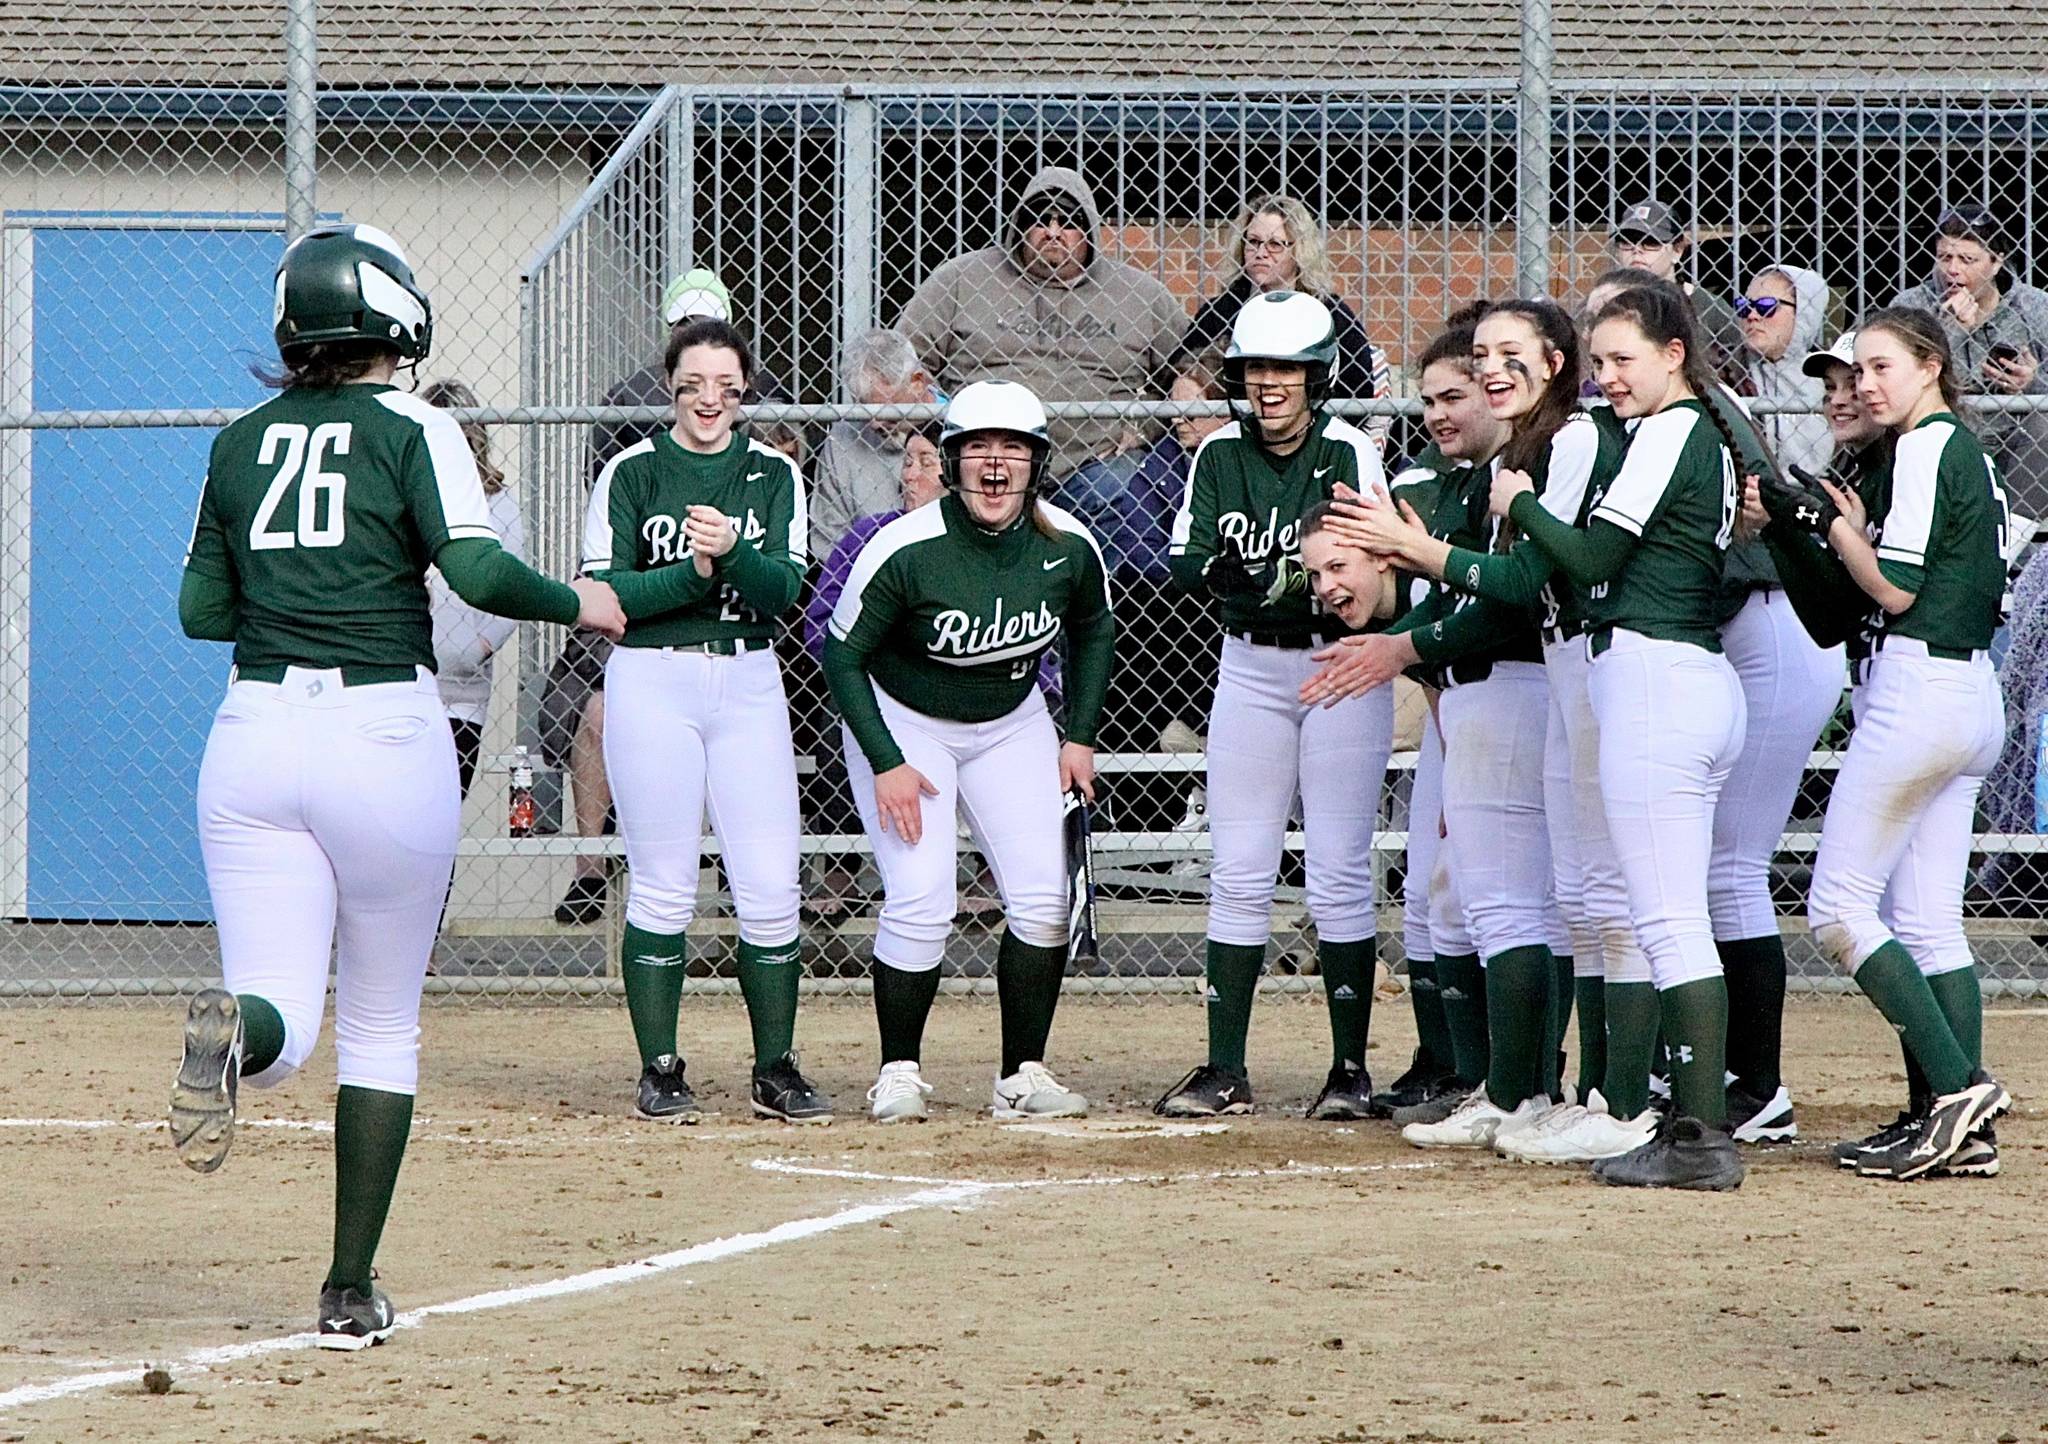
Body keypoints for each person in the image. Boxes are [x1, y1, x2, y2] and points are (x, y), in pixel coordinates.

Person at [168, 222, 626, 1347]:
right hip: (381, 726)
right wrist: (582, 601)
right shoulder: (417, 424)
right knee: (379, 1025)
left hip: (253, 731)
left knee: (283, 1022)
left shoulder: (237, 439)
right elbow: (471, 568)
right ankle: (344, 1287)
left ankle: (243, 1031)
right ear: (393, 316)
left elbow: (201, 614)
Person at [1318, 301, 1626, 1150]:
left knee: (1524, 904)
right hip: (1493, 694)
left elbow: (1517, 595)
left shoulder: (1549, 452)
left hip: (1519, 684)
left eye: (1503, 361)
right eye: (1477, 360)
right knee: (1510, 905)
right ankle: (1519, 1088)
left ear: (1555, 364)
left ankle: (1539, 1090)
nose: (1476, 387)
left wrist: (1413, 579)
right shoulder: (1503, 465)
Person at [1491, 284, 1751, 1188]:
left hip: (1656, 676)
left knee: (1667, 921)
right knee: (1671, 916)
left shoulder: (1675, 430)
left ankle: (1696, 1134)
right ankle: (1688, 1126)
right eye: (1596, 364)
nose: (1606, 381)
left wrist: (1520, 504)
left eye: (1621, 361)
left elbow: (1596, 557)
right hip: (1684, 678)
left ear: (1674, 353)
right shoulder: (1697, 433)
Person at [824, 381, 1111, 1122]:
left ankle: (1021, 1076)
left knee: (1047, 900)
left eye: (1012, 450)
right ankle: (897, 1071)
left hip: (1011, 720)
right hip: (906, 719)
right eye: (977, 449)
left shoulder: (1068, 544)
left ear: (1037, 462)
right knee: (923, 898)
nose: (994, 466)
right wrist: (886, 760)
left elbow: (1093, 630)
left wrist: (1079, 734)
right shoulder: (903, 547)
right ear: (949, 462)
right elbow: (842, 656)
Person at [1150, 291, 1394, 1121]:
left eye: (1286, 367)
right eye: (1256, 367)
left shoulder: (1349, 449)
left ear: (1318, 375)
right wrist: (1227, 576)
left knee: (1334, 872)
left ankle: (1350, 1070)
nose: (1269, 383)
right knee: (1240, 869)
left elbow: (1368, 565)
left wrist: (1286, 576)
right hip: (1251, 667)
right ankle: (1225, 1067)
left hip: (1336, 665)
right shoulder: (1219, 451)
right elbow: (1184, 558)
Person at [581, 316, 827, 1125]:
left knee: (768, 884)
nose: (708, 399)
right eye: (693, 384)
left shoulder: (772, 473)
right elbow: (608, 603)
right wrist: (694, 571)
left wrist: (732, 557)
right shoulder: (631, 471)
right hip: (652, 679)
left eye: (725, 384)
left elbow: (783, 596)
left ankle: (775, 1066)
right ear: (672, 386)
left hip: (748, 677)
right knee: (664, 883)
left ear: (744, 388)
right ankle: (660, 1066)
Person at [1788, 308, 2016, 1180]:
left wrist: (1838, 529)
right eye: (1862, 369)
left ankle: (1958, 1091)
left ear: (1931, 366)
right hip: (1966, 696)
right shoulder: (1960, 450)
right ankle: (1954, 1127)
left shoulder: (1926, 446)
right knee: (1927, 922)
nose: (1870, 383)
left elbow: (1893, 589)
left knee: (1838, 907)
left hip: (1919, 690)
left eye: (1884, 366)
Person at [546, 268, 789, 928]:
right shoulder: (627, 410)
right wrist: (689, 573)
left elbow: (781, 576)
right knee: (583, 710)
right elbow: (613, 562)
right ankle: (592, 868)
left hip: (737, 641)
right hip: (641, 627)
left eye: (706, 327)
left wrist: (724, 559)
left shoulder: (762, 427)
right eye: (683, 330)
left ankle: (738, 873)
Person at [1336, 320, 1509, 1119]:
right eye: (1429, 399)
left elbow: (1488, 598)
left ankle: (1496, 1074)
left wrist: (1400, 646)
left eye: (1456, 396)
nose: (1439, 414)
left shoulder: (1500, 481)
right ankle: (1447, 1061)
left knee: (1483, 895)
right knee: (1431, 899)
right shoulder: (1431, 484)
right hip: (1453, 698)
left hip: (1497, 691)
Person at [899, 165, 1187, 478]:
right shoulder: (961, 279)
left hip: (1096, 463)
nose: (1053, 231)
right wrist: (941, 417)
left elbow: (1191, 370)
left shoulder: (1139, 293)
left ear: (1089, 231)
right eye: (1040, 219)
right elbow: (904, 361)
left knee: (1125, 487)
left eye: (1068, 221)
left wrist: (1143, 427)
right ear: (1021, 226)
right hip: (983, 458)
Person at [1177, 195, 1394, 451]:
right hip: (1225, 436)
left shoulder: (1330, 312)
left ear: (1299, 250)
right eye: (1253, 242)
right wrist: (1192, 388)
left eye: (1275, 245)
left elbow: (1358, 390)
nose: (1260, 253)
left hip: (1310, 440)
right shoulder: (1222, 309)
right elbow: (1181, 363)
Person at [1892, 202, 2048, 511]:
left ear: (1996, 262)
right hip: (1940, 432)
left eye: (1968, 260)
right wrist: (1950, 331)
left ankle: (2011, 538)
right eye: (1945, 258)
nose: (1953, 270)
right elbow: (1899, 380)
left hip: (2014, 440)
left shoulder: (2035, 307)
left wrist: (2032, 384)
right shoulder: (1912, 305)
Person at [420, 379, 522, 798]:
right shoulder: (406, 497)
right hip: (406, 682)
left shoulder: (498, 504)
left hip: (462, 691)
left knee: (444, 806)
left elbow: (512, 585)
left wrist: (477, 646)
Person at [810, 328, 943, 555]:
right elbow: (829, 544)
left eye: (886, 409)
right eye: (864, 408)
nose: (874, 424)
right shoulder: (844, 437)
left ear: (918, 382)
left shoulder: (961, 427)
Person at [1610, 199, 1745, 383]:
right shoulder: (1604, 303)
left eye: (1651, 242)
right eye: (1626, 242)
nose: (1636, 250)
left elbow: (1742, 369)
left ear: (1677, 249)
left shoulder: (1709, 307)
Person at [1733, 263, 1834, 478]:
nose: (1751, 316)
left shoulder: (1833, 376)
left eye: (1766, 307)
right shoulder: (1728, 373)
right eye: (1743, 306)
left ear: (1804, 313)